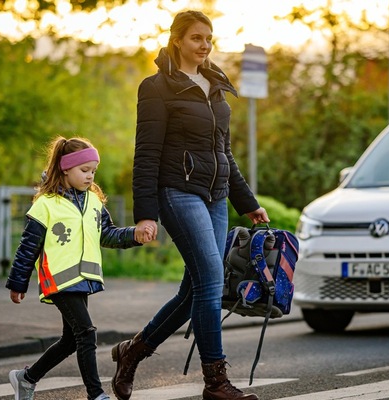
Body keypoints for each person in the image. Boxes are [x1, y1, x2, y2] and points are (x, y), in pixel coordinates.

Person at [111, 10, 269, 400]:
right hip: (176, 192)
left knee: (193, 291)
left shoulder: (215, 86)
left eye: (209, 39)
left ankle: (131, 353)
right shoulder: (157, 88)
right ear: (177, 40)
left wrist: (247, 203)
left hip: (214, 196)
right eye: (197, 38)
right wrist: (145, 214)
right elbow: (146, 154)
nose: (204, 45)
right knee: (212, 281)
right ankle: (216, 382)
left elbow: (224, 154)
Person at [5, 136, 142, 400]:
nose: (90, 176)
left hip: (83, 279)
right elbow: (28, 247)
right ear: (66, 168)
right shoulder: (46, 204)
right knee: (87, 333)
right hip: (58, 280)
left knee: (71, 340)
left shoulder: (94, 202)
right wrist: (17, 282)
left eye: (93, 170)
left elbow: (108, 235)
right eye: (84, 170)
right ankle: (96, 395)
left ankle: (26, 378)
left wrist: (134, 234)